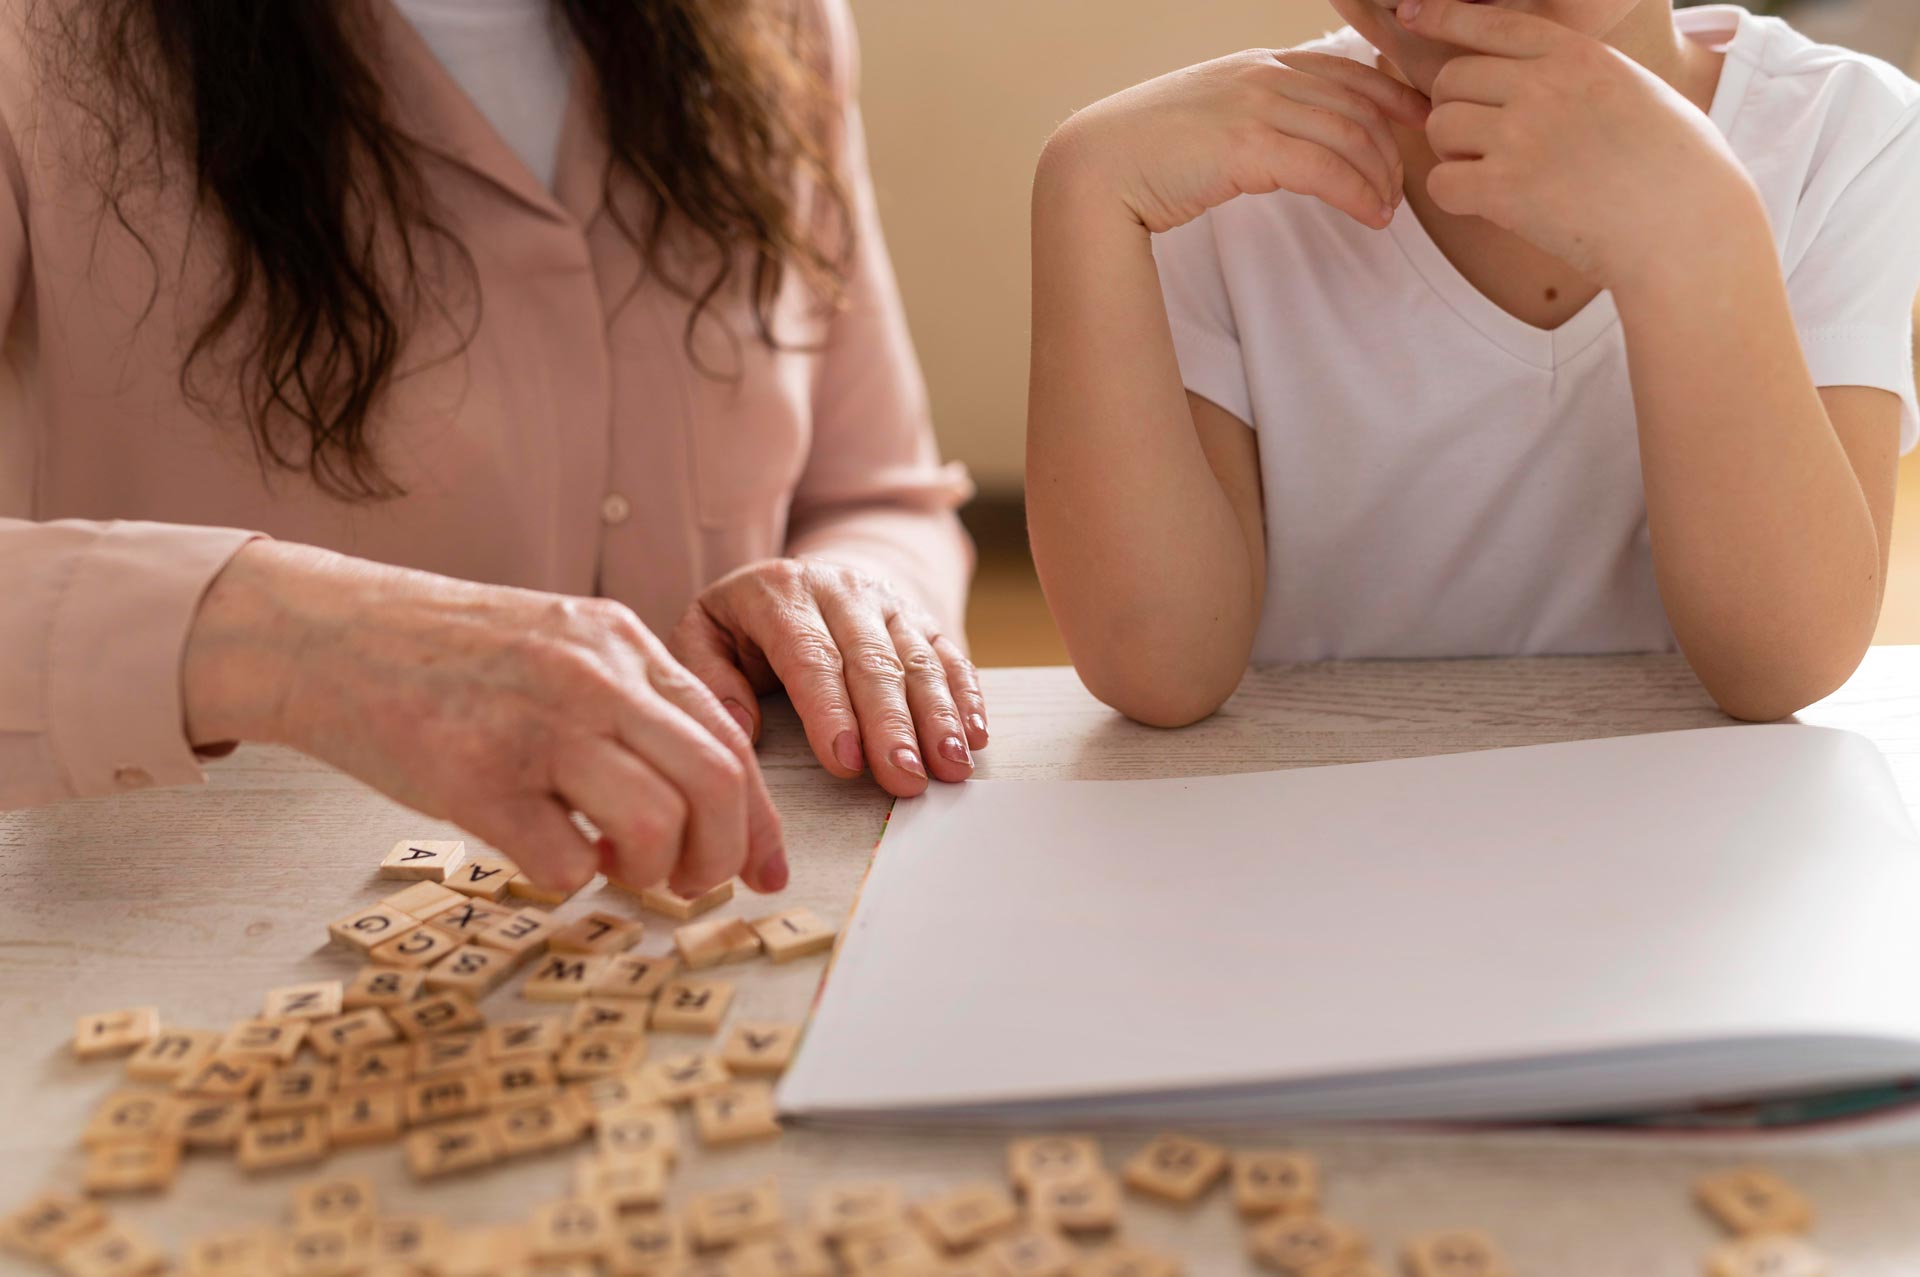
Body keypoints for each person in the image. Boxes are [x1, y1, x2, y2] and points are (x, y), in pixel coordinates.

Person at [0, 0, 988, 898]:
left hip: (695, 938)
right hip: (181, 943)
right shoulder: (36, 46)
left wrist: (846, 599)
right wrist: (298, 643)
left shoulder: (780, 23)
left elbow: (877, 496)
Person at [1027, 0, 1920, 728]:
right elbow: (1161, 668)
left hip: (1682, 867)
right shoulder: (1237, 166)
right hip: (1316, 852)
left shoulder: (1838, 133)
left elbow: (1785, 664)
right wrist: (1084, 188)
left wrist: (1694, 232)